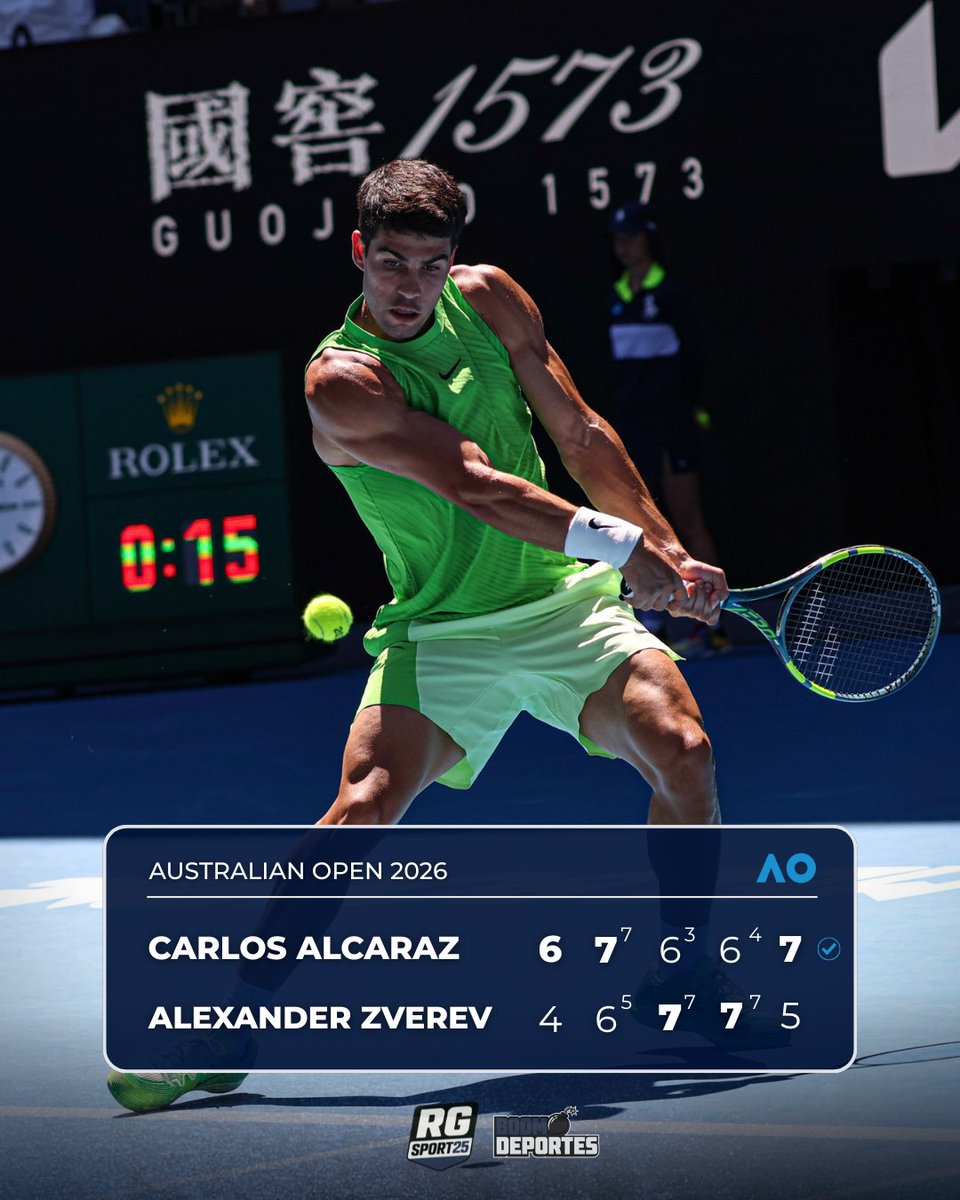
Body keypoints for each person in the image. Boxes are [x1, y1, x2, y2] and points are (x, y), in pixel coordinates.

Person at [106, 158, 734, 1113]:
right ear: (359, 252)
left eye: (431, 264)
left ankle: (685, 973)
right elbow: (476, 484)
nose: (410, 286)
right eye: (391, 262)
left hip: (564, 604)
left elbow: (575, 428)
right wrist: (622, 547)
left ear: (455, 261)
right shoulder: (342, 383)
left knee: (683, 752)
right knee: (360, 809)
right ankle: (226, 1030)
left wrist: (667, 547)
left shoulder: (491, 302)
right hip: (443, 632)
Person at [606, 200, 730, 657]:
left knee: (687, 517)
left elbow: (695, 358)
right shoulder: (615, 296)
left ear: (648, 239)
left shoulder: (673, 294)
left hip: (673, 417)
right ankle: (650, 619)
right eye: (618, 239)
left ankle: (710, 624)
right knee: (635, 522)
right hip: (633, 421)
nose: (624, 246)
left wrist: (693, 408)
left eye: (632, 237)